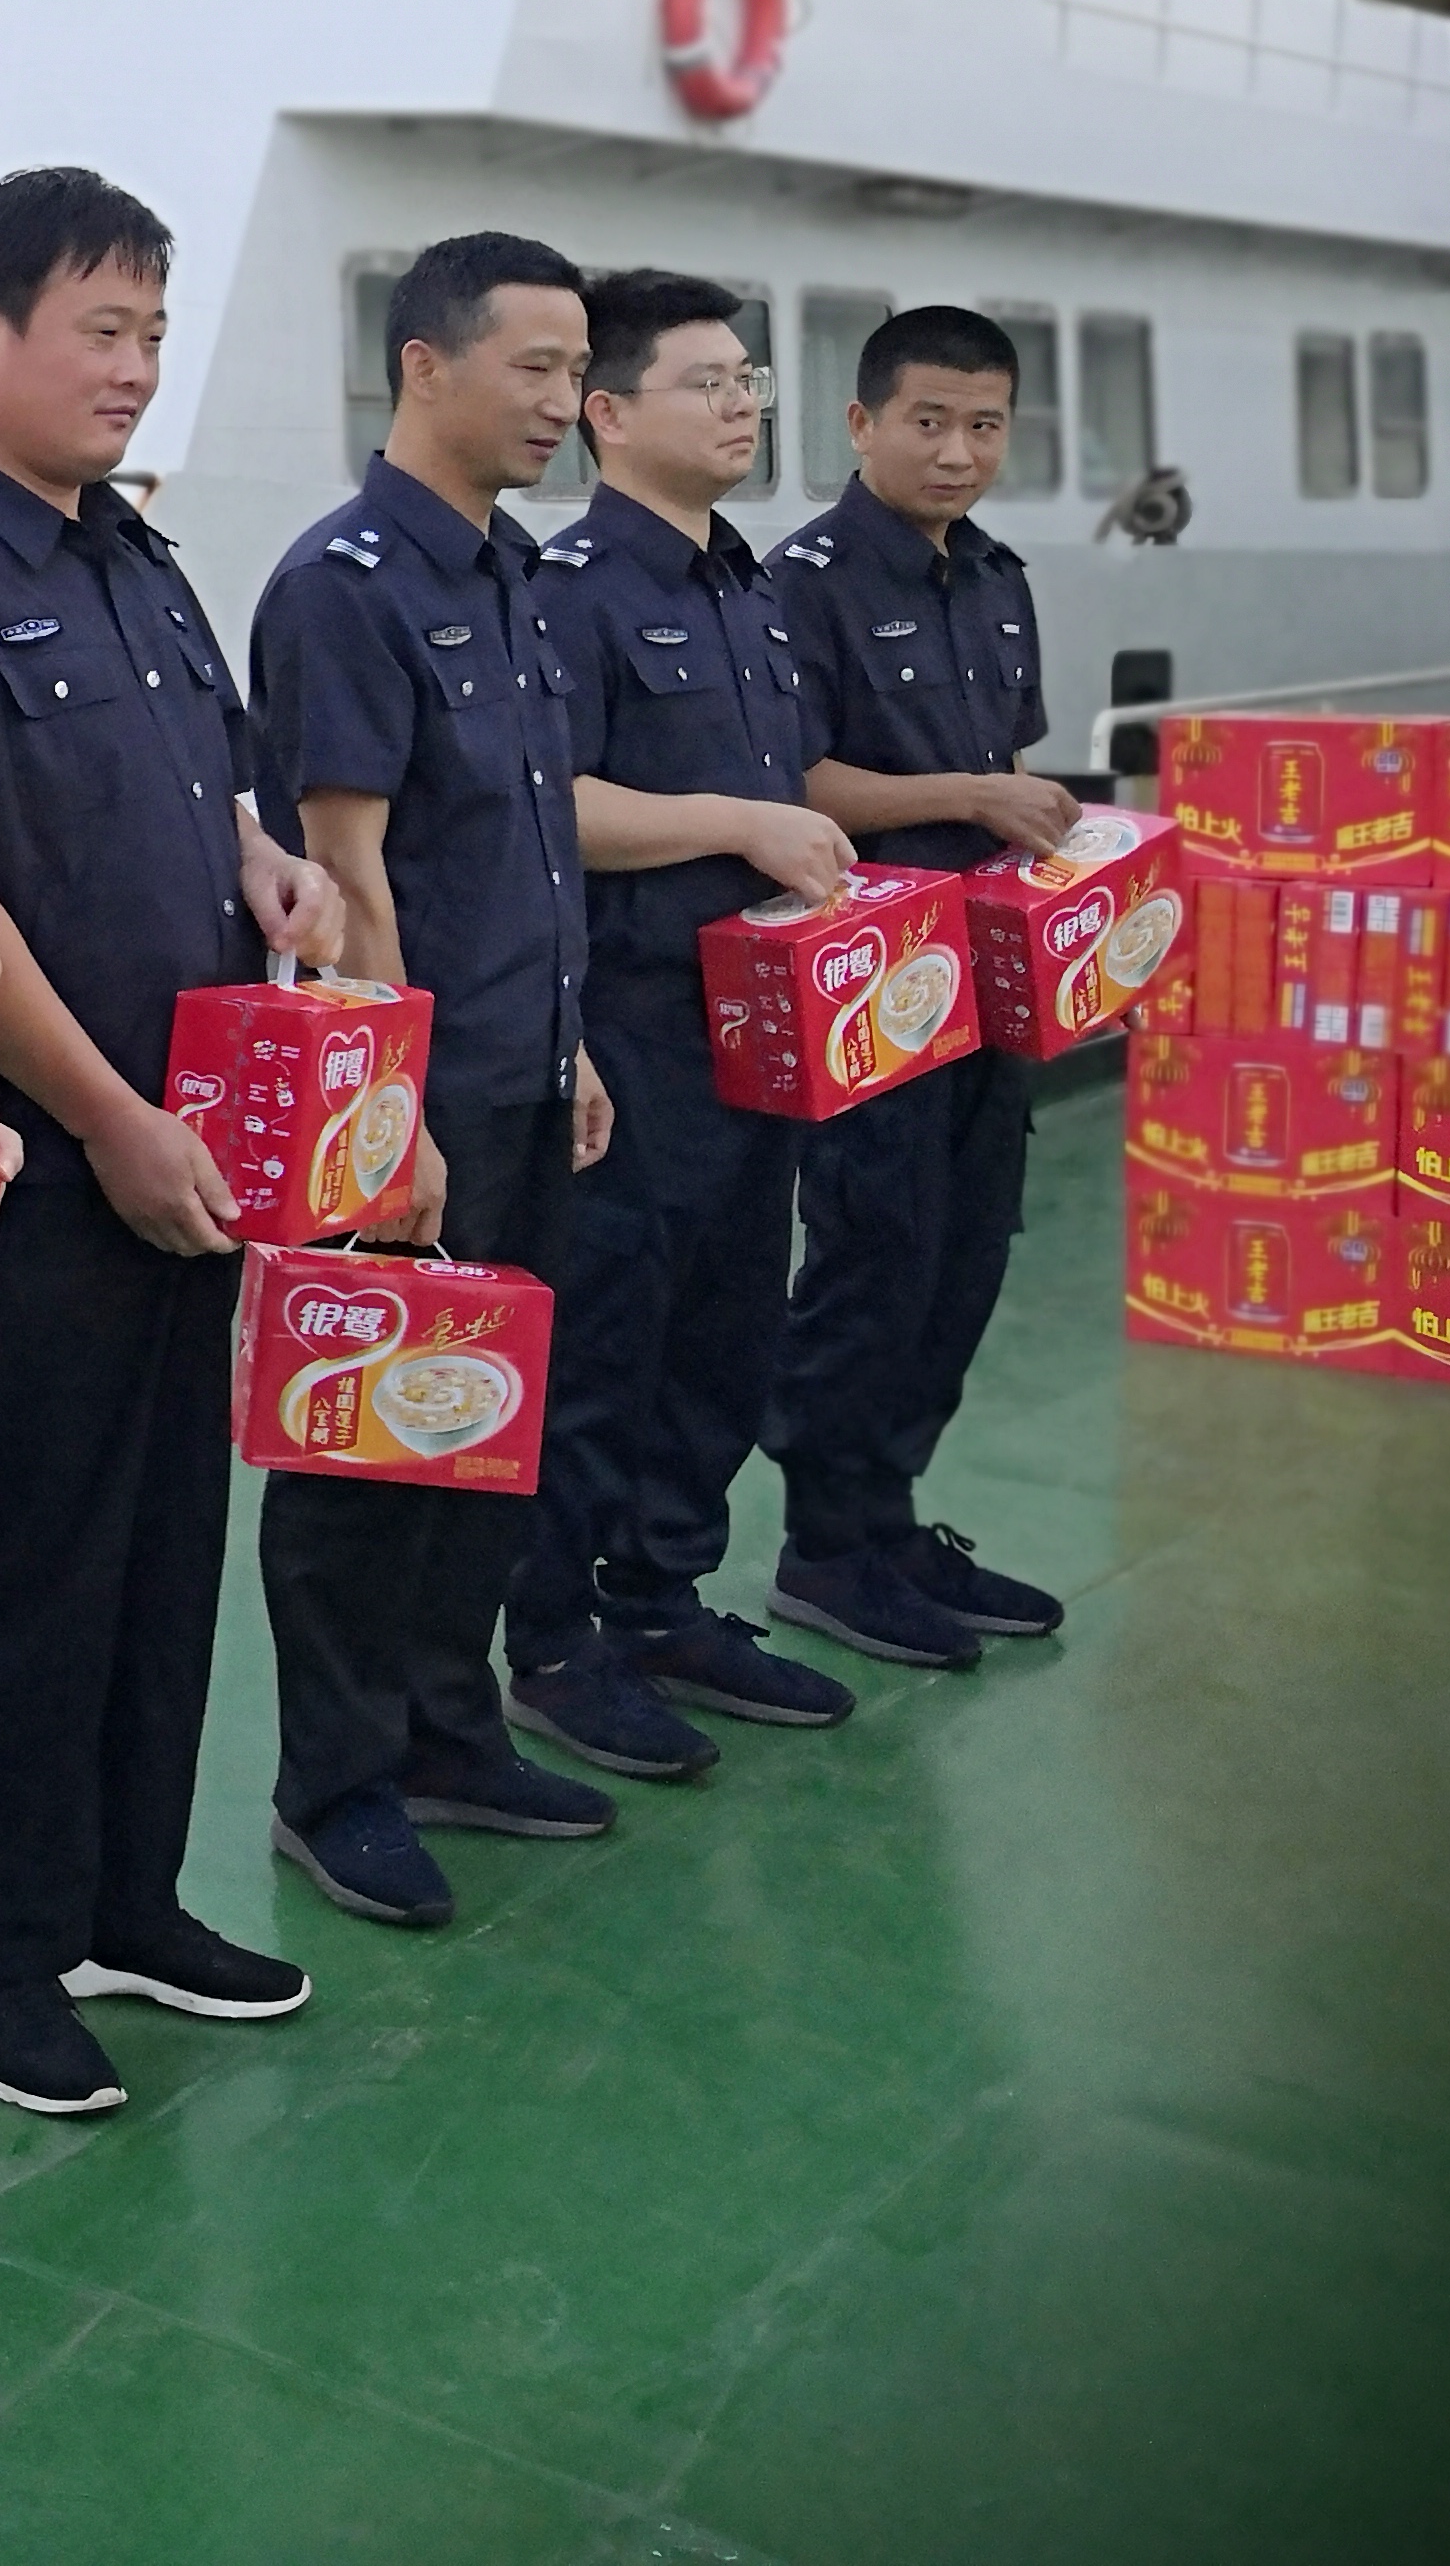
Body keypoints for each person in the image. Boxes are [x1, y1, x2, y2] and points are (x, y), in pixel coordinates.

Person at [0, 166, 347, 2118]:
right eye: (98, 330)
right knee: (15, 1569)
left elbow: (206, 788)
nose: (134, 368)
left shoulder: (137, 562)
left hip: (189, 1159)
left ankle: (127, 1901)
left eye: (151, 331)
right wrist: (113, 1118)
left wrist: (268, 865)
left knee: (159, 1550)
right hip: (39, 1179)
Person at [248, 232, 618, 1933]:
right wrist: (387, 1117)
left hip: (522, 1070)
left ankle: (453, 1735)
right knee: (361, 1451)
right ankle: (334, 1786)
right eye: (534, 366)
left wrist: (569, 1044)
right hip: (410, 1102)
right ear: (424, 365)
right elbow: (349, 865)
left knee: (483, 1428)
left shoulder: (514, 576)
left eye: (576, 370)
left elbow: (524, 845)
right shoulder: (343, 587)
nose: (562, 401)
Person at [505, 272, 864, 1782]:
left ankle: (662, 1600)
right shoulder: (570, 591)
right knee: (608, 1343)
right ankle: (554, 1642)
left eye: (748, 382)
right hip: (636, 1024)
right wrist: (738, 822)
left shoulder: (750, 589)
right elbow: (549, 802)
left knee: (726, 1329)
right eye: (706, 382)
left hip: (757, 1027)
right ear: (607, 413)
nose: (740, 407)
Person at [757, 308, 1076, 1664]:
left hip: (990, 975)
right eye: (929, 422)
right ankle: (827, 1546)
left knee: (965, 1249)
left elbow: (1015, 769)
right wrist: (972, 797)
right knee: (875, 1250)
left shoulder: (997, 578)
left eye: (984, 425)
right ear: (863, 423)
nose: (958, 452)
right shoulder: (804, 583)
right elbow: (796, 782)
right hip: (870, 985)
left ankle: (888, 1522)